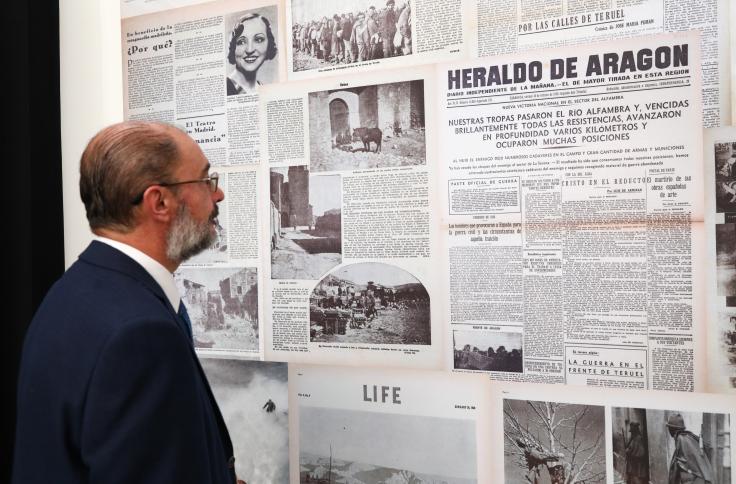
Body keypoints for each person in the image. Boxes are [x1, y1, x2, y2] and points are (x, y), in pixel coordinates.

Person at [13, 121, 244, 484]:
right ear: (160, 202)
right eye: (205, 180)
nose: (218, 195)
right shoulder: (141, 332)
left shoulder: (72, 291)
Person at [226, 13, 277, 95]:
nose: (250, 50)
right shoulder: (224, 89)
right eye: (241, 42)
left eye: (258, 40)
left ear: (269, 44)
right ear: (233, 47)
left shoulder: (264, 89)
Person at [666, 414, 714, 484]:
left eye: (669, 428)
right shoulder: (687, 437)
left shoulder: (681, 439)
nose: (669, 430)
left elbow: (677, 464)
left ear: (672, 429)